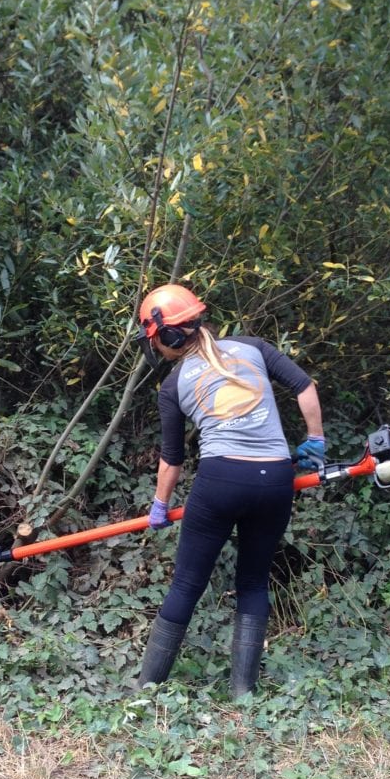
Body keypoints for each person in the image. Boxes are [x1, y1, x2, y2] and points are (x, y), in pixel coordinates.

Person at [135, 283, 325, 697]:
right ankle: (243, 693)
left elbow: (172, 459)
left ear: (165, 338)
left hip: (220, 481)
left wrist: (160, 504)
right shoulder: (253, 347)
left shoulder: (172, 386)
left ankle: (146, 690)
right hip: (276, 481)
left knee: (187, 583)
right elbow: (304, 386)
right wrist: (315, 439)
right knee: (254, 582)